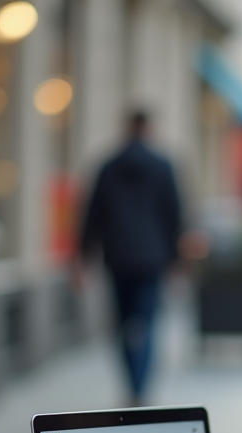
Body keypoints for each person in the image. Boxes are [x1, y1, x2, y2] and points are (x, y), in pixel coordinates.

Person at [79, 110, 183, 406]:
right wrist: (177, 258)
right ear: (147, 128)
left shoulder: (108, 166)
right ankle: (141, 385)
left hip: (117, 257)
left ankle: (131, 383)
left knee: (122, 326)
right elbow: (174, 213)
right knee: (148, 324)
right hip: (152, 258)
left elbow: (91, 215)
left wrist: (84, 256)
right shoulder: (162, 166)